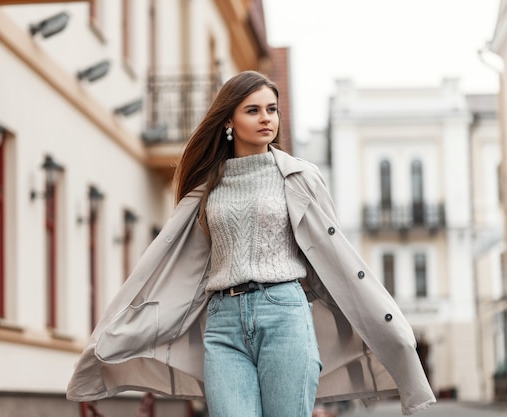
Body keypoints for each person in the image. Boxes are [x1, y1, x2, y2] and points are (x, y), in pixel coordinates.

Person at [66, 71, 436, 416]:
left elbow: (330, 257)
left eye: (272, 110)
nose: (266, 119)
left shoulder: (300, 178)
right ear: (228, 121)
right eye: (253, 110)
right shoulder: (206, 189)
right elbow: (186, 269)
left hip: (285, 314)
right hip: (222, 321)